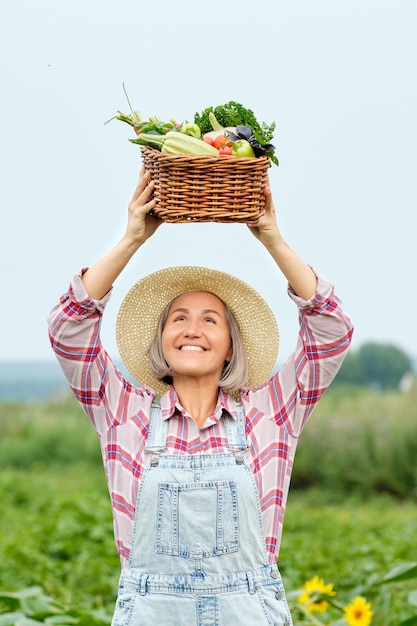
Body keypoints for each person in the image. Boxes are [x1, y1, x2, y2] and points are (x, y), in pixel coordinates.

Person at [48, 167, 353, 626]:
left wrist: (270, 237)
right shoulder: (122, 409)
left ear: (232, 343)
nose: (192, 329)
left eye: (211, 320)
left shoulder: (270, 411)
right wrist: (133, 238)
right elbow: (69, 329)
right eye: (179, 319)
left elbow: (331, 332)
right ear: (162, 338)